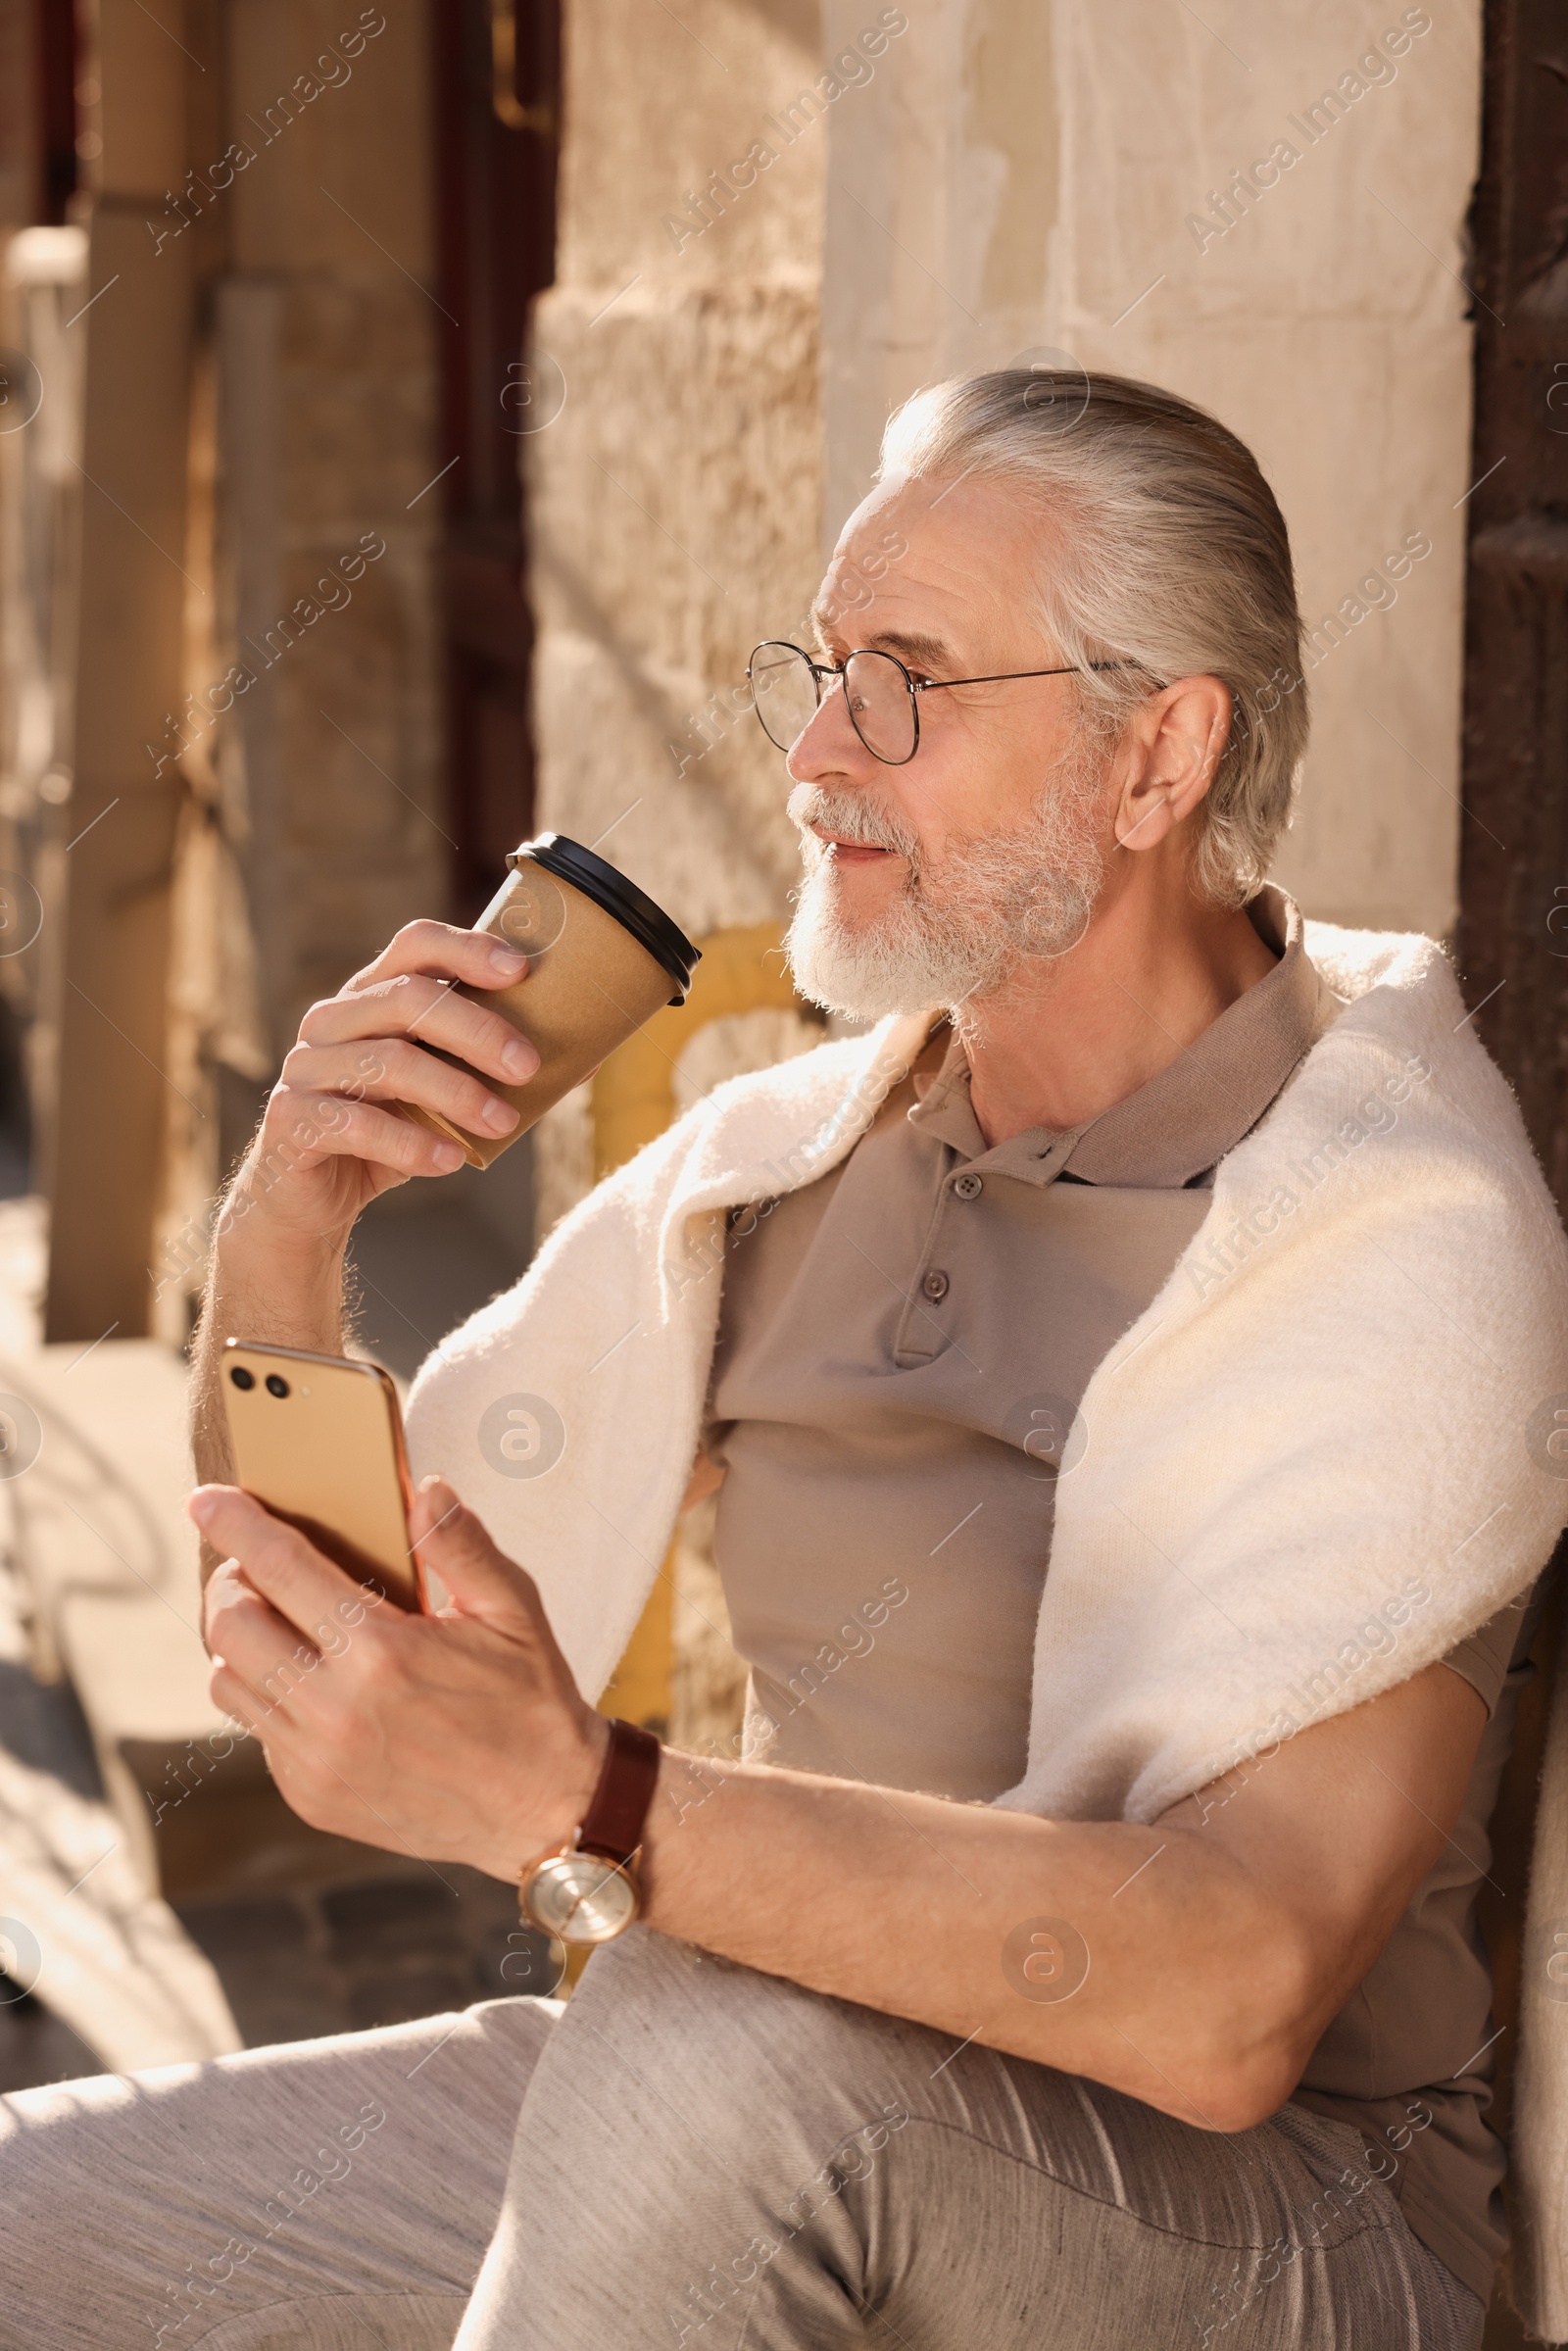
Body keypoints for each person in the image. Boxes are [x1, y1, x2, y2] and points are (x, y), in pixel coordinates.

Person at [5, 370, 1566, 2351]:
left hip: (1266, 2238)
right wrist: (289, 1222)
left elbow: (1233, 1992)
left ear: (1154, 753)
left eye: (905, 681)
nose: (820, 752)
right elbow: (353, 1639)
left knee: (688, 2053)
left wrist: (610, 1806)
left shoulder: (1381, 1236)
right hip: (772, 2087)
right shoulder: (792, 1169)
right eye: (821, 671)